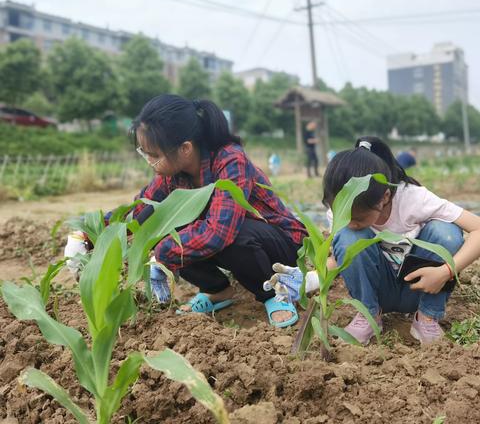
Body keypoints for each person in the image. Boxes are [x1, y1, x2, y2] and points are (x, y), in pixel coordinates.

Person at [65, 94, 306, 328]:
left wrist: (161, 254)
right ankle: (217, 290)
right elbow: (139, 212)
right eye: (144, 153)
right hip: (239, 244)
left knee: (232, 236)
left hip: (280, 246)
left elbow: (220, 233)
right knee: (166, 224)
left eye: (154, 155)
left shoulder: (230, 161)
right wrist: (88, 232)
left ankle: (275, 294)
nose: (149, 162)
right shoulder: (172, 175)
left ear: (185, 148)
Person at [264, 136, 480, 344]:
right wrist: (308, 279)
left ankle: (426, 318)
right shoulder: (341, 211)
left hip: (423, 287)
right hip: (376, 291)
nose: (349, 222)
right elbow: (344, 256)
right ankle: (369, 316)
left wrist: (444, 273)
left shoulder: (413, 199)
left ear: (385, 197)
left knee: (446, 232)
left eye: (357, 218)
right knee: (348, 236)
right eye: (341, 214)